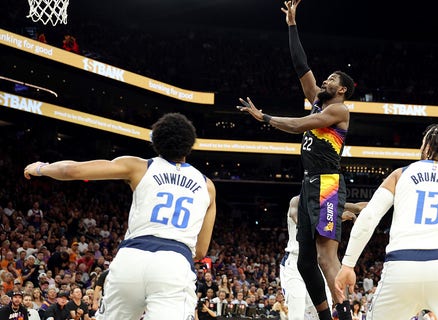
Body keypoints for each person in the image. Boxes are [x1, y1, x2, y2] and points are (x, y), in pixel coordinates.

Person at [24, 113, 218, 320]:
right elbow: (200, 251)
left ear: (156, 142)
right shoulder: (207, 186)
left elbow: (72, 170)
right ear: (190, 145)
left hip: (131, 259)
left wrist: (40, 168)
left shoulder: (139, 166)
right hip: (174, 263)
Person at [237, 2, 355, 319]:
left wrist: (263, 117)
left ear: (341, 89)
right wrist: (292, 25)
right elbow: (300, 66)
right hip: (309, 184)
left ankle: (345, 314)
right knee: (304, 261)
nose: (325, 80)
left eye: (331, 79)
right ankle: (324, 314)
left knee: (326, 256)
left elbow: (297, 125)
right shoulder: (319, 102)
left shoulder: (338, 111)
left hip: (328, 182)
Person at [335, 123, 438, 319]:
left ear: (427, 147)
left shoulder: (400, 174)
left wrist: (348, 264)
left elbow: (369, 216)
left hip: (400, 268)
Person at [281, 196, 362, 320]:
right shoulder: (297, 201)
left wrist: (390, 198)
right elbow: (300, 221)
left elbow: (356, 207)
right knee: (296, 314)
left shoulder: (325, 204)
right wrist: (335, 216)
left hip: (317, 264)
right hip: (295, 263)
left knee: (323, 313)